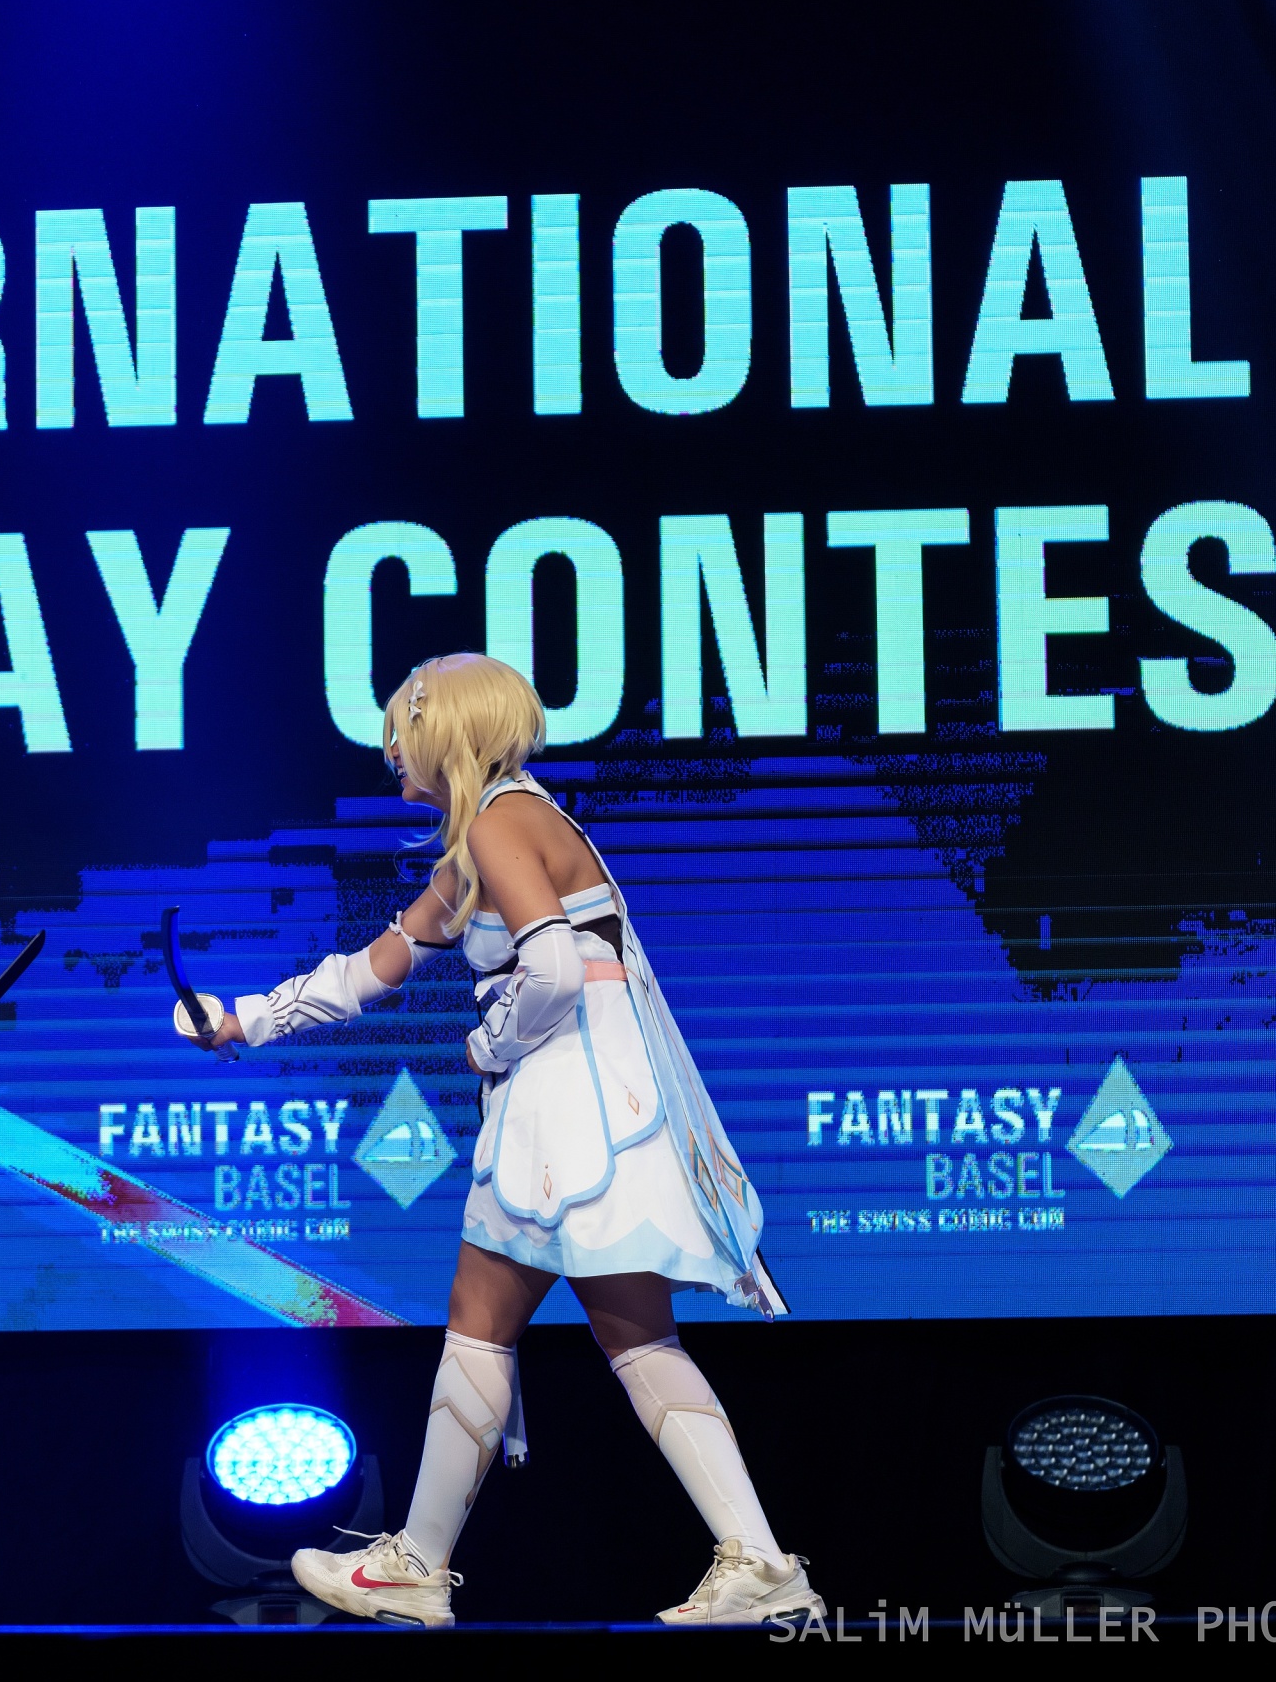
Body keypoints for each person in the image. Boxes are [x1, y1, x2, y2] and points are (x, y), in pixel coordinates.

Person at [175, 654, 817, 1628]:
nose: (391, 753)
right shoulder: (489, 837)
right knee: (630, 1335)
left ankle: (418, 1564)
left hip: (569, 1109)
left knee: (486, 1317)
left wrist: (491, 1041)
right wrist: (242, 1019)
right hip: (599, 1110)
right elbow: (371, 968)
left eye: (402, 734)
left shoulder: (499, 823)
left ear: (444, 735)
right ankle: (759, 1562)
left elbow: (552, 968)